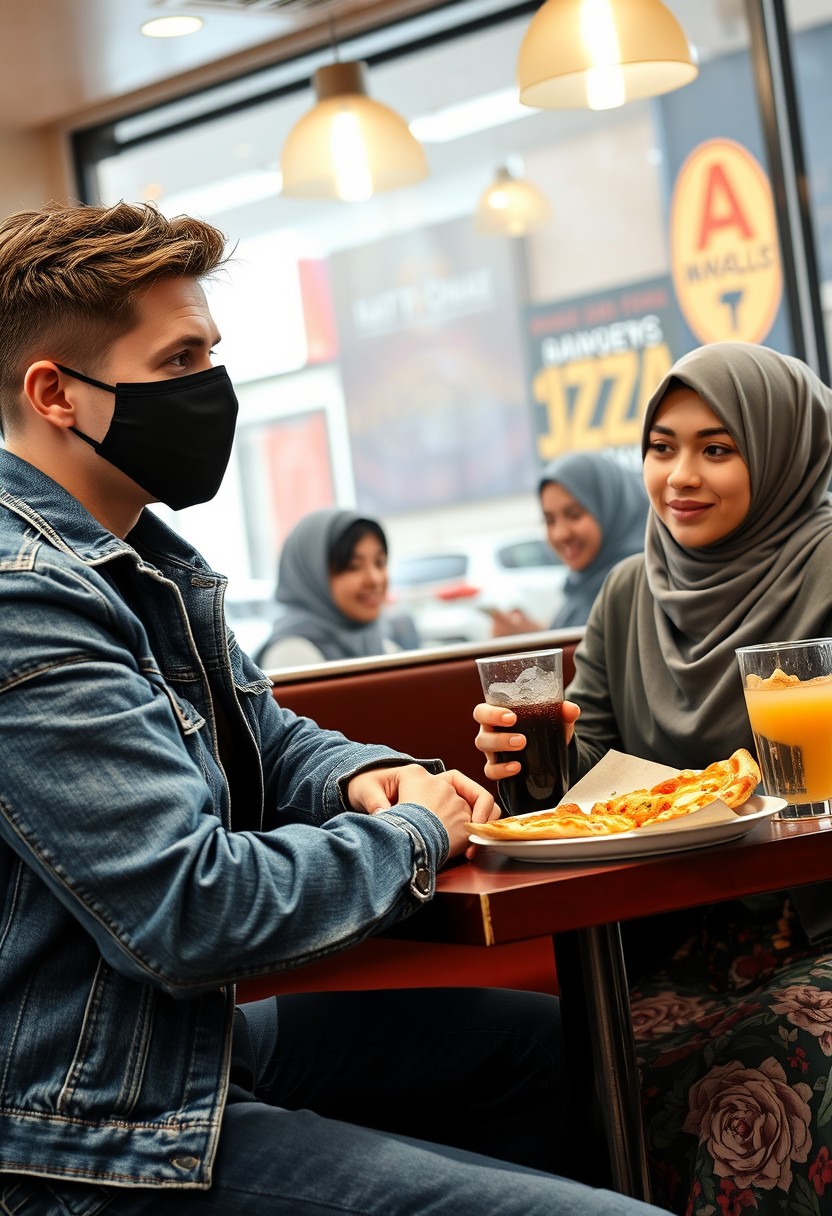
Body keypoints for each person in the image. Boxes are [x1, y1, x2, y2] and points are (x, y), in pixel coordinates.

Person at [0, 200, 665, 1216]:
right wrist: (411, 831)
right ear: (55, 392)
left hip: (185, 1052)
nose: (212, 389)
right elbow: (188, 909)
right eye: (181, 361)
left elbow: (272, 742)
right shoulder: (25, 596)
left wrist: (359, 776)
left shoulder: (147, 562)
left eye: (211, 355)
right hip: (78, 1130)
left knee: (557, 1051)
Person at [475, 340, 832, 1215]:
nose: (680, 475)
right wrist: (529, 767)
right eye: (661, 446)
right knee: (570, 1070)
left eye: (718, 448)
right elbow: (588, 801)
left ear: (783, 449)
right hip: (681, 940)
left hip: (818, 924)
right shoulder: (630, 593)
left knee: (762, 1083)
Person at [489, 451, 649, 635]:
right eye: (550, 521)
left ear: (613, 508)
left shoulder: (638, 585)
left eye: (574, 515)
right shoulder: (583, 588)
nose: (560, 534)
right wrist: (531, 635)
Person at [254, 507, 416, 669]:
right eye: (353, 566)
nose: (374, 579)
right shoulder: (292, 655)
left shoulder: (380, 644)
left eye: (379, 563)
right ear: (314, 574)